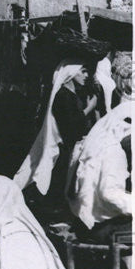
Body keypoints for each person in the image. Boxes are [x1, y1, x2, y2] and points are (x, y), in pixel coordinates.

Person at [14, 59, 96, 201]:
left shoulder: (71, 94)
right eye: (83, 71)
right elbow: (70, 125)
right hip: (63, 150)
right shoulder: (63, 96)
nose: (86, 75)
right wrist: (88, 109)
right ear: (71, 73)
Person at [67, 101, 132, 243]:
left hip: (81, 224)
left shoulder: (87, 144)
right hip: (102, 229)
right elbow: (109, 194)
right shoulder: (113, 151)